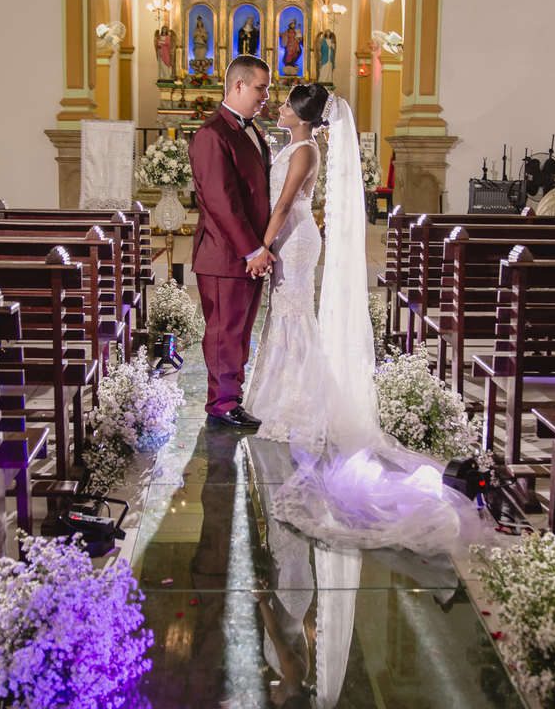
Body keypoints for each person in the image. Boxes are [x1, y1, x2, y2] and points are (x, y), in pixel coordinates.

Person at [242, 86, 491, 556]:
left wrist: (262, 246)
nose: (276, 107)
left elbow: (282, 206)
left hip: (293, 241)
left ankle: (300, 400)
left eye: (284, 103)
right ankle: (281, 391)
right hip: (288, 239)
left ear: (301, 114)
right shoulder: (292, 144)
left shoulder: (304, 151)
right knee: (285, 315)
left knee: (294, 315)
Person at [188, 55, 275, 428]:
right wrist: (253, 250)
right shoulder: (212, 134)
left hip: (248, 254)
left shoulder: (249, 130)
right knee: (225, 333)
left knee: (239, 332)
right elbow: (222, 202)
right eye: (261, 88)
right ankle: (222, 403)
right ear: (238, 85)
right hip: (226, 256)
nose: (266, 97)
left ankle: (232, 396)